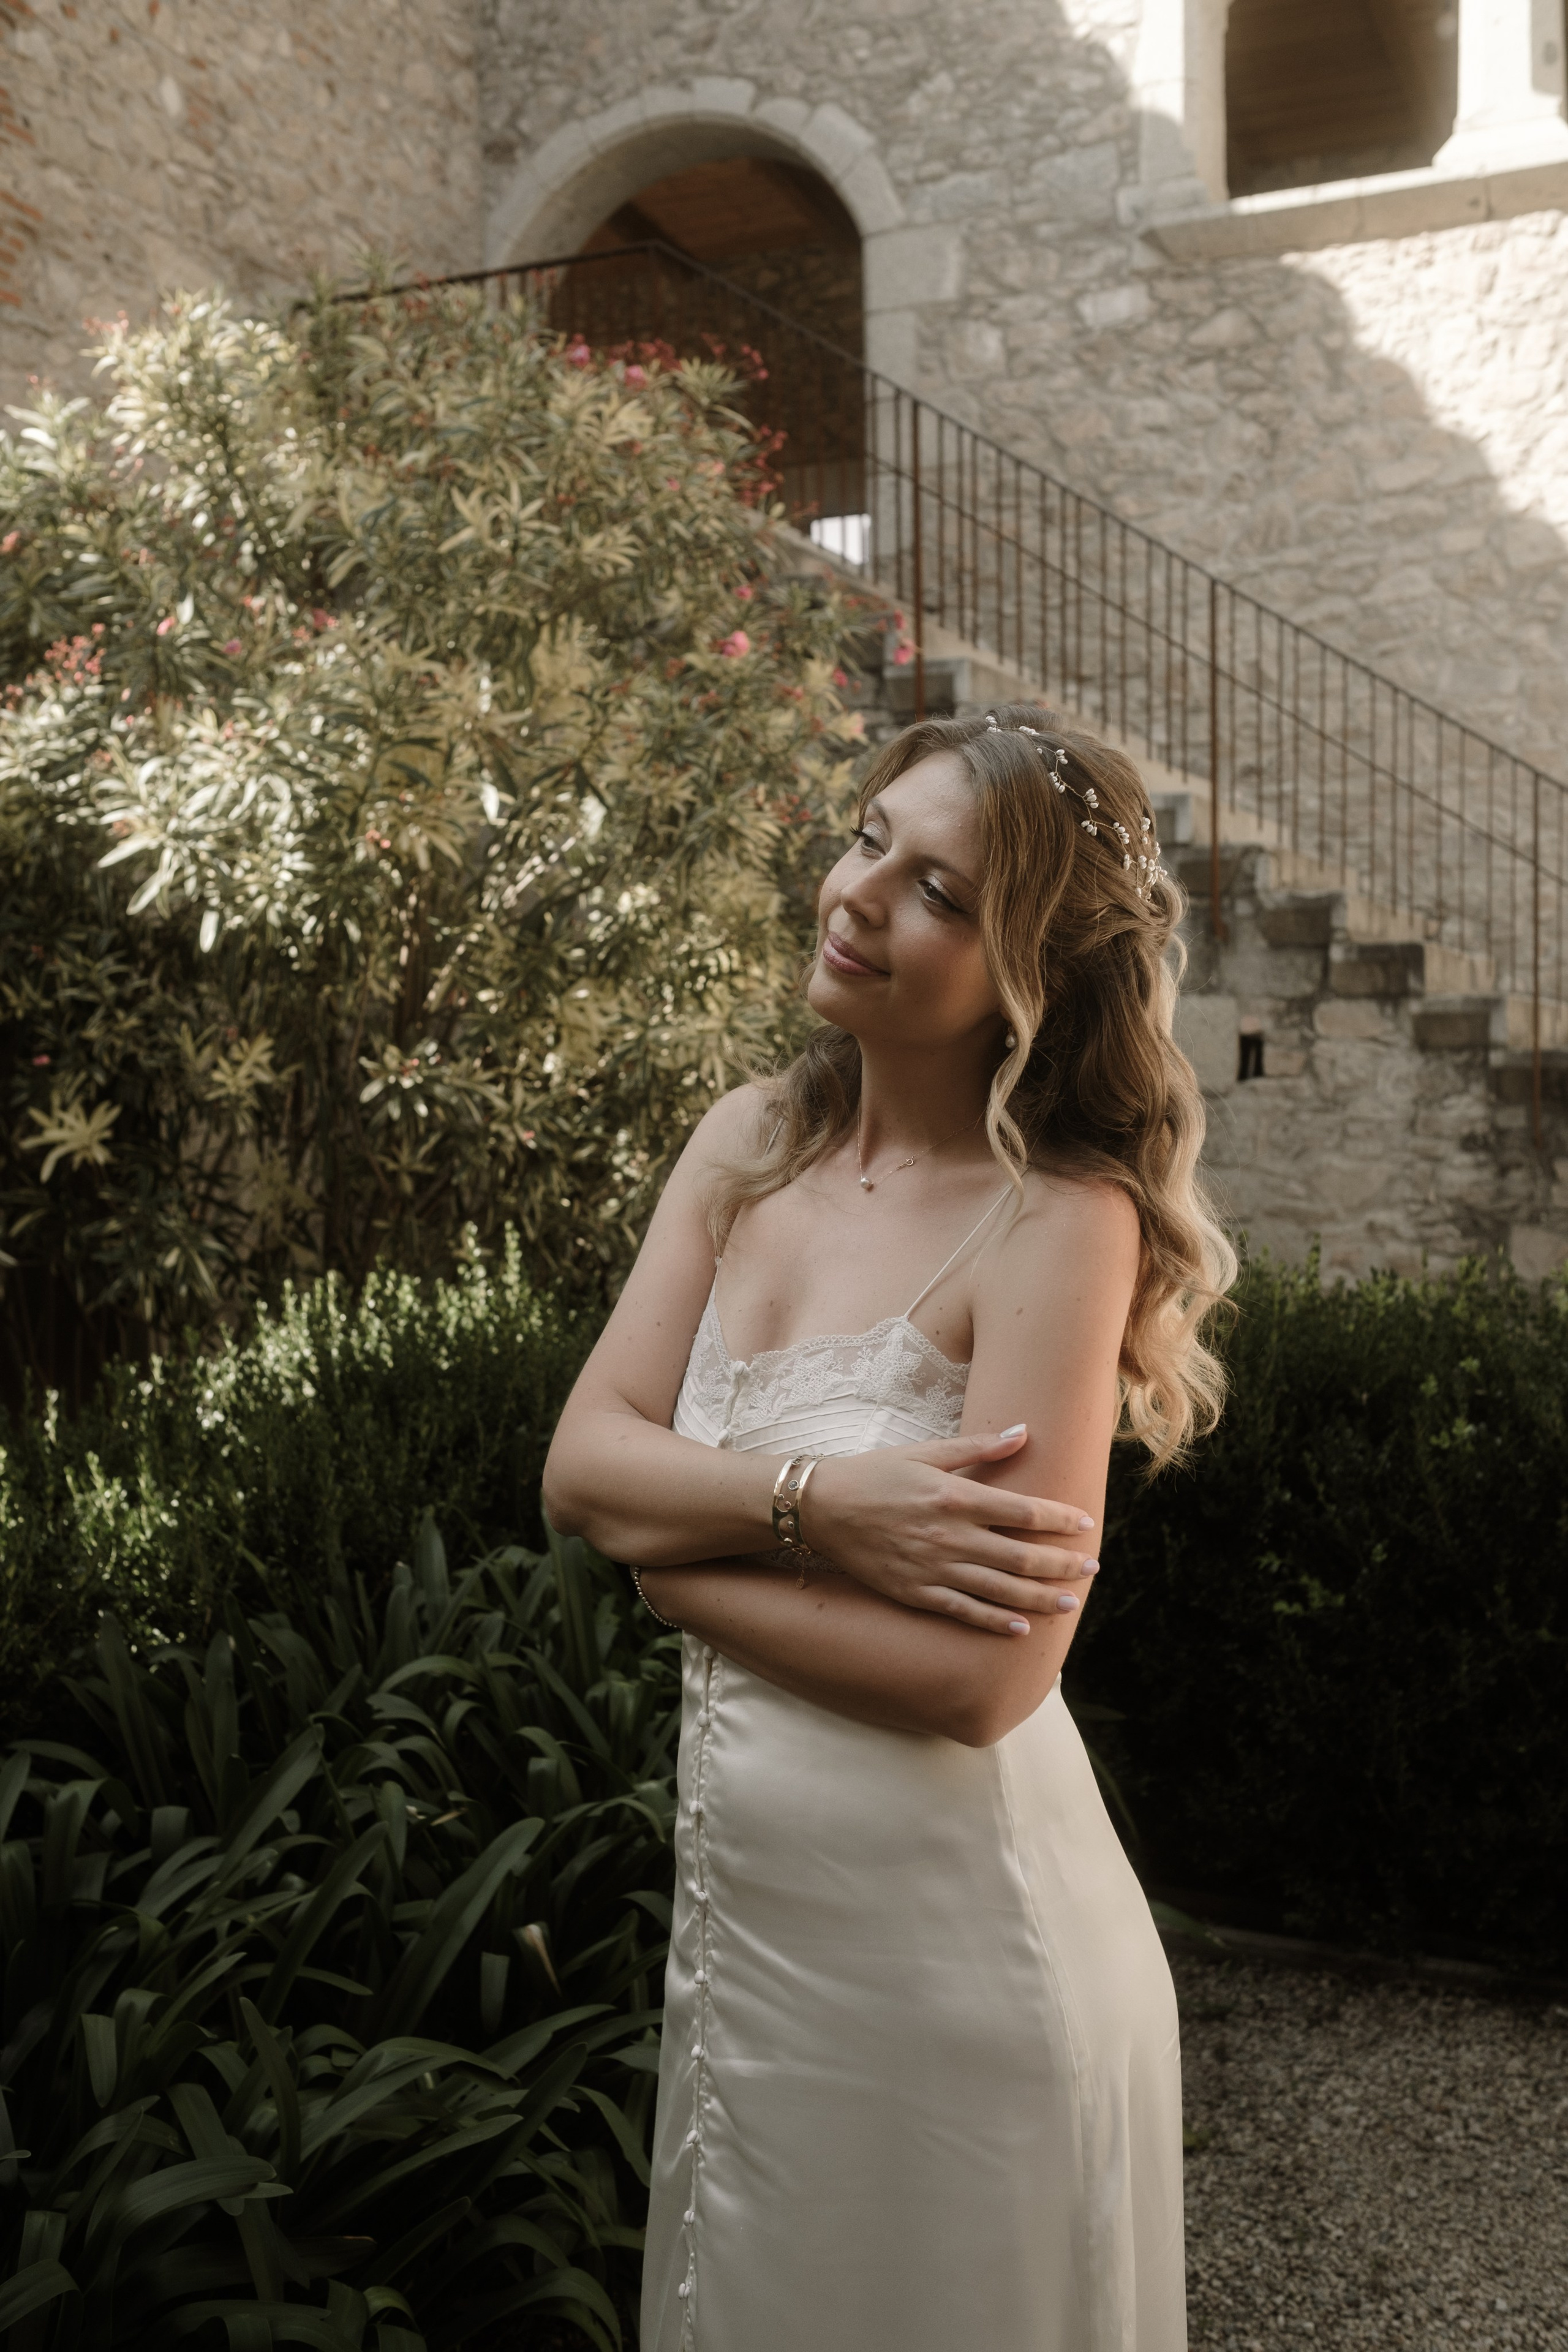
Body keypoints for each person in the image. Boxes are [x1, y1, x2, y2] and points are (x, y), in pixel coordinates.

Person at [543, 703, 1235, 2352]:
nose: (860, 895)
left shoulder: (1059, 1222)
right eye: (871, 839)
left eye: (942, 892)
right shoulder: (746, 1147)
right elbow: (581, 1465)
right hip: (755, 1943)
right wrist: (823, 1505)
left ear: (1030, 972)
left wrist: (675, 1572)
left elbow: (985, 1683)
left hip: (964, 1967)